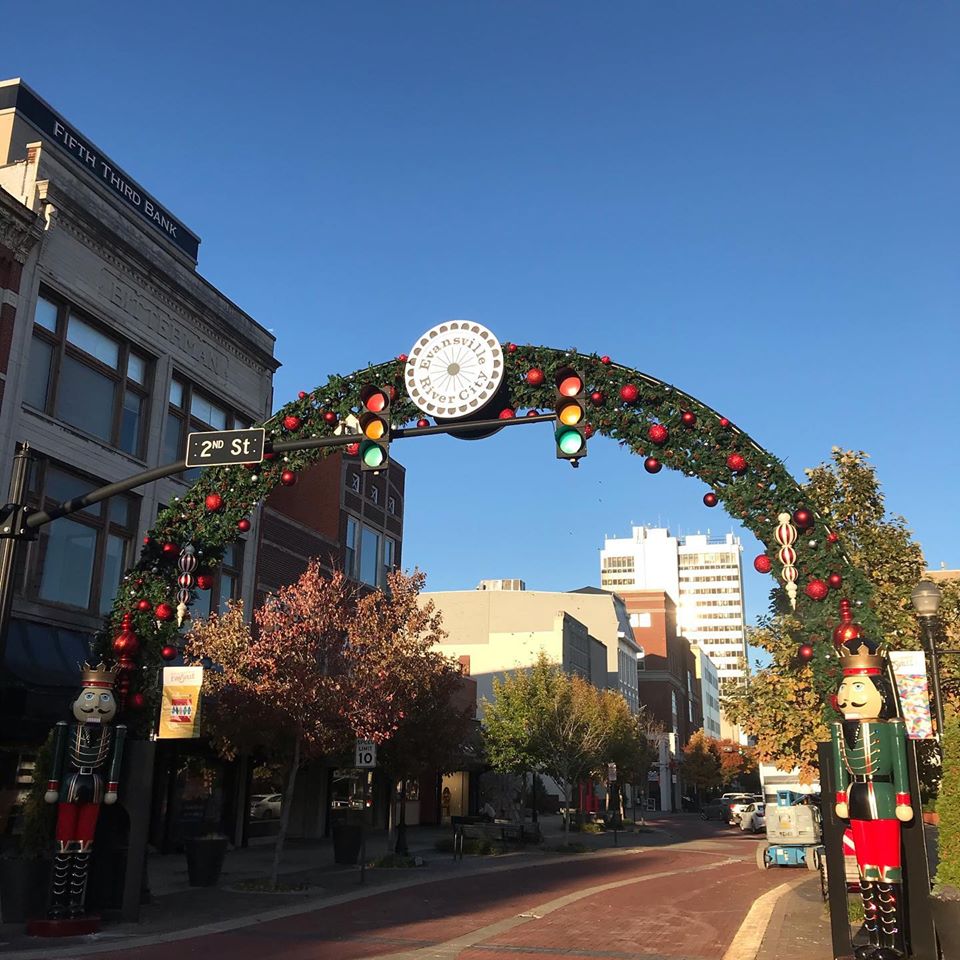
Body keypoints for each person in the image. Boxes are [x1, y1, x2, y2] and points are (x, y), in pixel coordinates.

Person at [831, 632, 912, 960]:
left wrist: (903, 798)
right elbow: (840, 766)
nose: (848, 697)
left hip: (884, 797)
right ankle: (874, 934)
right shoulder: (840, 731)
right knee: (866, 870)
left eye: (857, 688)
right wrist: (840, 795)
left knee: (888, 868)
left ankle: (894, 941)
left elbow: (901, 767)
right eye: (845, 689)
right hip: (857, 799)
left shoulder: (890, 728)